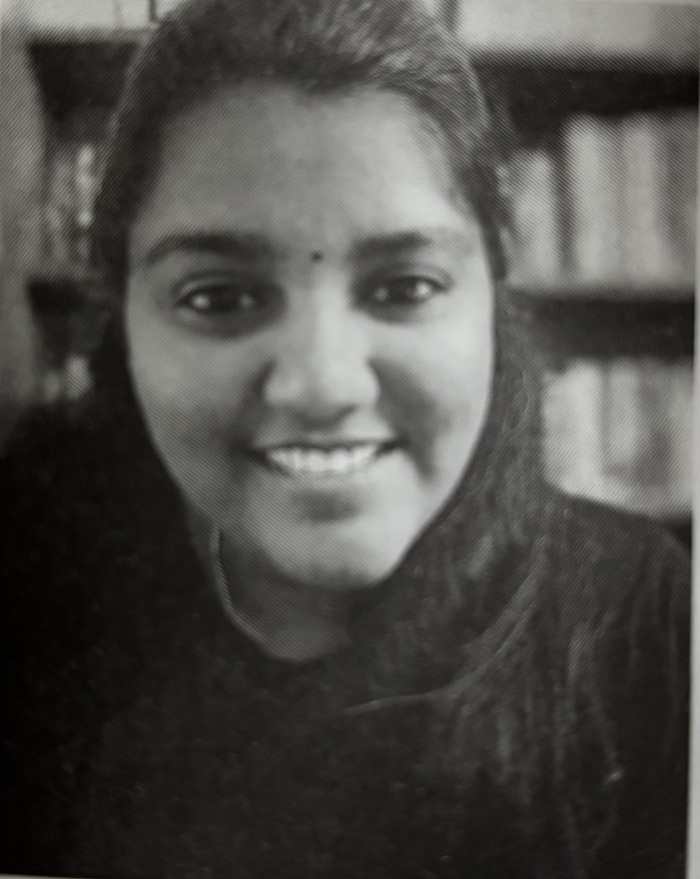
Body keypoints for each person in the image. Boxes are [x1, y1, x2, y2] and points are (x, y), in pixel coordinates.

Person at [1, 0, 690, 876]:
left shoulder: (643, 619)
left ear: (493, 299)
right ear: (123, 323)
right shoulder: (25, 606)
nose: (323, 384)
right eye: (219, 297)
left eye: (404, 288)